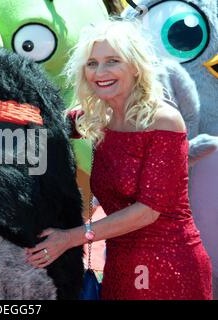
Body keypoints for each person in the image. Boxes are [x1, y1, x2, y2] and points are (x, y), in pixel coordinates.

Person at [25, 19, 213, 300]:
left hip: (169, 264)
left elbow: (148, 210)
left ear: (135, 66)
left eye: (113, 61)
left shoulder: (163, 120)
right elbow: (40, 125)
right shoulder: (96, 118)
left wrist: (69, 238)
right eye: (92, 63)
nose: (100, 72)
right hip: (119, 264)